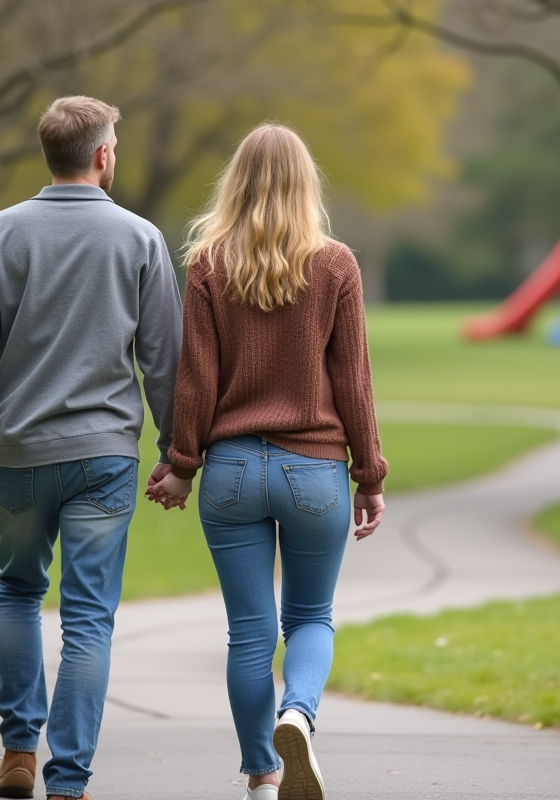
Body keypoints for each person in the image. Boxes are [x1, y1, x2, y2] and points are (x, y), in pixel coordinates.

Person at [0, 96, 183, 800]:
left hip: (19, 452)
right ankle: (68, 781)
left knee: (16, 589)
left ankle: (18, 754)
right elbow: (164, 359)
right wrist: (175, 450)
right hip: (105, 455)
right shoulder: (139, 238)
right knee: (88, 617)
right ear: (103, 155)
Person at [148, 123, 388, 800]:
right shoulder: (336, 264)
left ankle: (261, 771)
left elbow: (194, 379)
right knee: (309, 617)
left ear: (237, 183)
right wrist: (369, 475)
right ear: (305, 185)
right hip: (313, 473)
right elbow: (354, 383)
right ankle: (297, 714)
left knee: (248, 632)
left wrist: (181, 464)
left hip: (229, 474)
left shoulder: (207, 266)